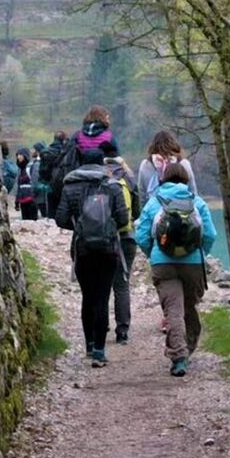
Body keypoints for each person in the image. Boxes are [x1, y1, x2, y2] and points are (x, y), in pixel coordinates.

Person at [135, 162, 216, 377]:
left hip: (163, 264)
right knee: (188, 308)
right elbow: (210, 235)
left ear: (162, 180)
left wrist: (153, 253)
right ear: (186, 180)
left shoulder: (154, 203)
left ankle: (178, 357)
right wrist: (200, 254)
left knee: (173, 310)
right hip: (192, 264)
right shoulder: (196, 202)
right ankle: (186, 350)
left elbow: (141, 236)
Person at [56, 148, 129, 368]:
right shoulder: (112, 185)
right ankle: (99, 351)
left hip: (82, 249)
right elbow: (123, 218)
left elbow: (60, 218)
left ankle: (88, 345)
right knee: (103, 297)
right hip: (108, 250)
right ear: (102, 163)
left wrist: (80, 227)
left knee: (88, 297)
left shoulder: (70, 186)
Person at [101, 140, 138, 344]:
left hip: (104, 238)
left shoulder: (100, 176)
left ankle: (102, 326)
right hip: (127, 237)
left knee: (103, 284)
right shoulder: (128, 176)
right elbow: (138, 206)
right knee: (122, 285)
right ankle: (122, 330)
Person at [138, 130, 197, 205]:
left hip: (153, 211)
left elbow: (142, 197)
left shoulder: (145, 165)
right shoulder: (184, 164)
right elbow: (193, 194)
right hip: (183, 210)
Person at [41, 131, 67, 218]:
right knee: (63, 210)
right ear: (63, 140)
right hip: (62, 185)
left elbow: (41, 172)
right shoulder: (65, 152)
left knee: (51, 211)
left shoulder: (46, 152)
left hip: (49, 186)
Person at [14, 148, 38, 220]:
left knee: (33, 223)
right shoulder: (20, 169)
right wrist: (17, 201)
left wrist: (35, 198)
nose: (19, 157)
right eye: (17, 155)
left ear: (25, 156)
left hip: (31, 201)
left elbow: (34, 182)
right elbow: (19, 186)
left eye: (20, 154)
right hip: (22, 201)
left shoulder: (30, 167)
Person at [29, 142, 49, 217]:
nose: (31, 151)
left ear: (37, 151)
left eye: (33, 149)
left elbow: (35, 180)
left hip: (40, 197)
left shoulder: (37, 164)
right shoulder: (45, 161)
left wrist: (32, 193)